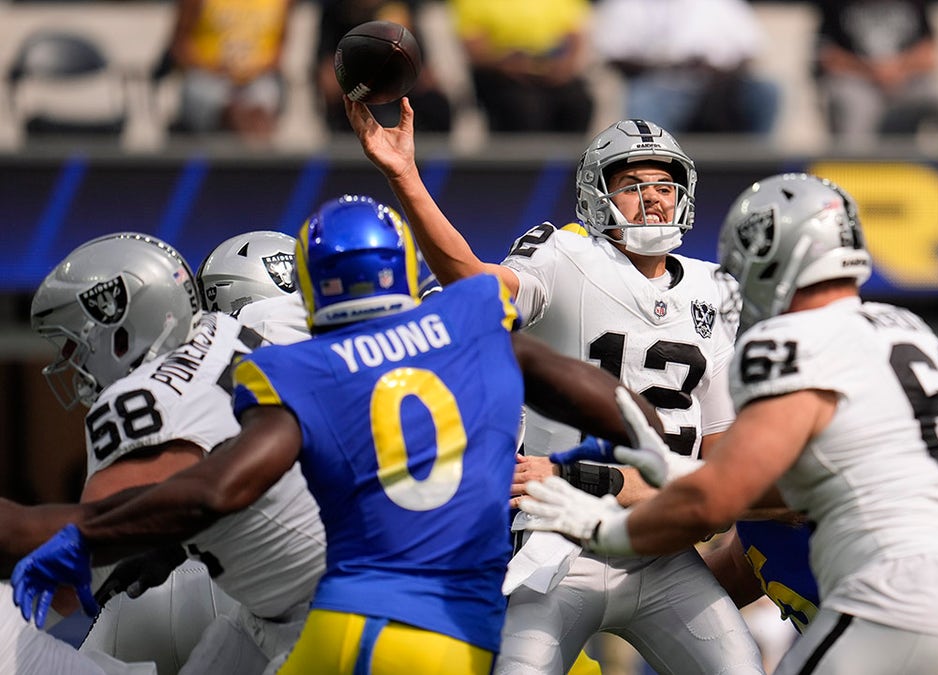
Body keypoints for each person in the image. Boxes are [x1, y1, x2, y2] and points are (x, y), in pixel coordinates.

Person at [11, 195, 668, 675]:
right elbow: (625, 412)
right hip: (492, 594)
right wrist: (592, 466)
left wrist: (90, 536)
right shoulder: (464, 318)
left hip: (364, 615)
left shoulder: (295, 369)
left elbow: (221, 487)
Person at [520, 172, 938, 673]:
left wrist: (599, 512)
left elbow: (726, 495)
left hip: (898, 602)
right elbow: (762, 535)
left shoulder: (786, 345)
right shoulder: (908, 329)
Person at [346, 98, 766, 673]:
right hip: (559, 545)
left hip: (664, 551)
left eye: (664, 184)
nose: (652, 197)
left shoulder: (714, 287)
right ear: (598, 197)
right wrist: (406, 176)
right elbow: (473, 282)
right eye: (631, 184)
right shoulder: (567, 254)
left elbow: (718, 455)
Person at [14, 229, 328, 675]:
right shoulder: (243, 322)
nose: (72, 365)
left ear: (119, 334)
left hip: (330, 612)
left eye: (76, 346)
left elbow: (79, 556)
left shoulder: (137, 404)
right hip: (320, 583)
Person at [592, 0, 780, 136]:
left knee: (766, 90)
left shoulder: (721, 4)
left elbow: (751, 52)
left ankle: (757, 167)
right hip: (662, 86)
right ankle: (653, 164)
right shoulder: (626, 5)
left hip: (719, 86)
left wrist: (718, 72)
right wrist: (670, 66)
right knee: (642, 97)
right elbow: (614, 57)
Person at [814, 0, 938, 148]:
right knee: (853, 102)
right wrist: (872, 71)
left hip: (906, 80)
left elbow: (930, 54)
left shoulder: (916, 4)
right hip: (858, 80)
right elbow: (828, 56)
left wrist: (897, 69)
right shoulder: (836, 5)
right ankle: (857, 168)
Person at [447, 0, 594, 133]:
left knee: (578, 102)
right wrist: (510, 64)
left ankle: (572, 161)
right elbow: (475, 49)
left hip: (551, 69)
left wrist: (564, 66)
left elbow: (575, 34)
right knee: (526, 107)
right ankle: (525, 161)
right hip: (500, 74)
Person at [315, 0, 452, 134]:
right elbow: (328, 74)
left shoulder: (400, 8)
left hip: (400, 84)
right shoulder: (335, 13)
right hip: (358, 85)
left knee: (434, 103)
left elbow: (424, 71)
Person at [164, 0, 295, 140]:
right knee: (202, 91)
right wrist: (214, 67)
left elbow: (279, 52)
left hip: (257, 79)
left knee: (265, 94)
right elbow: (179, 46)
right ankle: (242, 128)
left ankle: (247, 135)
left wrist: (251, 71)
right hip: (207, 77)